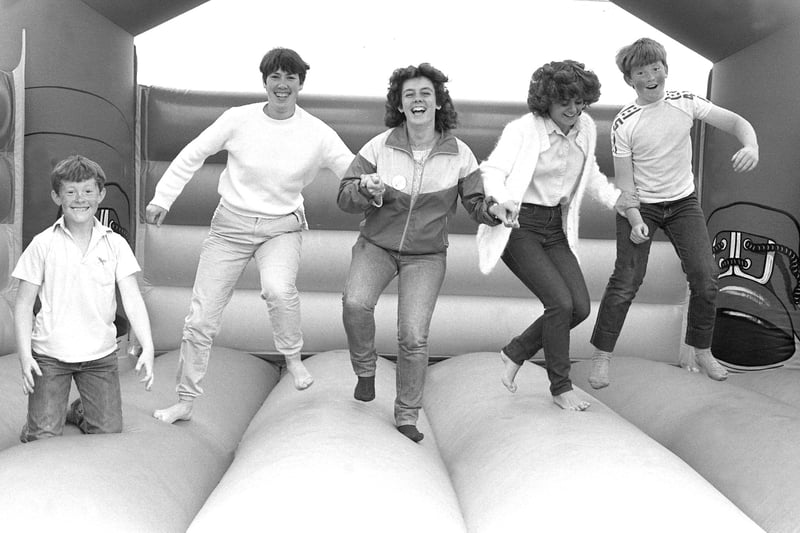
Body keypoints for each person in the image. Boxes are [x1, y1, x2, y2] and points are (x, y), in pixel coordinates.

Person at [147, 48, 353, 423]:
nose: (282, 85)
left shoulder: (317, 133)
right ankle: (184, 401)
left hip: (282, 227)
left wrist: (373, 187)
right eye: (275, 77)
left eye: (290, 77)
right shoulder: (237, 120)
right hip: (231, 225)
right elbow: (192, 154)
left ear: (301, 84)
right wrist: (163, 198)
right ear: (264, 82)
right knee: (201, 316)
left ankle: (293, 360)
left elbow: (351, 170)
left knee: (277, 289)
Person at [588, 38, 759, 389]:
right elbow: (626, 187)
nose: (651, 76)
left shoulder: (686, 102)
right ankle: (602, 356)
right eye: (641, 71)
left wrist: (751, 144)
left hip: (682, 203)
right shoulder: (625, 122)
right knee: (626, 282)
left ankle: (701, 349)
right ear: (630, 80)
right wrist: (635, 221)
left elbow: (737, 122)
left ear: (665, 69)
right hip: (641, 207)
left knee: (706, 276)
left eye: (656, 67)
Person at [338, 63, 496, 442]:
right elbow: (344, 196)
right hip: (377, 245)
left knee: (413, 335)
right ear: (400, 104)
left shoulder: (460, 154)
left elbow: (476, 204)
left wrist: (494, 211)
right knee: (355, 303)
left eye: (426, 93)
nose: (418, 100)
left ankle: (407, 413)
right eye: (409, 94)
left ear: (439, 101)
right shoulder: (379, 146)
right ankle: (365, 369)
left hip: (425, 256)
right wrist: (364, 188)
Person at [477, 60, 636, 411]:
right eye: (565, 101)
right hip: (520, 226)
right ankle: (560, 387)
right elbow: (491, 170)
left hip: (554, 227)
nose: (573, 109)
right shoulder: (524, 130)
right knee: (559, 303)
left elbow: (589, 172)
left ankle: (515, 351)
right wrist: (501, 202)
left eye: (580, 101)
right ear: (546, 101)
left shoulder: (586, 128)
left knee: (578, 307)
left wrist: (616, 201)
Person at [13, 155, 155, 442]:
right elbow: (24, 303)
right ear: (57, 196)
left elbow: (132, 297)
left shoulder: (115, 244)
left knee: (107, 431)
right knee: (42, 438)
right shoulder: (43, 244)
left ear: (100, 194)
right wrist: (25, 355)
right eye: (71, 192)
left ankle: (78, 409)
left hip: (99, 356)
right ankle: (39, 419)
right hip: (50, 356)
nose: (80, 199)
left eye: (88, 191)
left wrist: (149, 347)